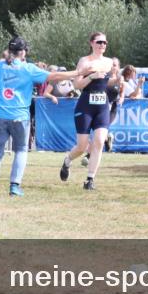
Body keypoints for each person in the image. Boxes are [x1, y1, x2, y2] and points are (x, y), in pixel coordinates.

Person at [0, 36, 77, 196]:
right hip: (20, 116)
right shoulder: (28, 68)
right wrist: (78, 72)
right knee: (21, 150)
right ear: (24, 52)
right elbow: (53, 77)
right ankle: (14, 187)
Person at [59, 32, 116, 191]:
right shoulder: (85, 61)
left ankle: (90, 179)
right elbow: (77, 85)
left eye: (104, 42)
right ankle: (67, 161)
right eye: (99, 42)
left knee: (99, 141)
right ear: (91, 43)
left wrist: (117, 81)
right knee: (82, 146)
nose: (102, 45)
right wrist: (92, 77)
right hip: (85, 105)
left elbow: (108, 82)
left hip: (102, 105)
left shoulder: (109, 62)